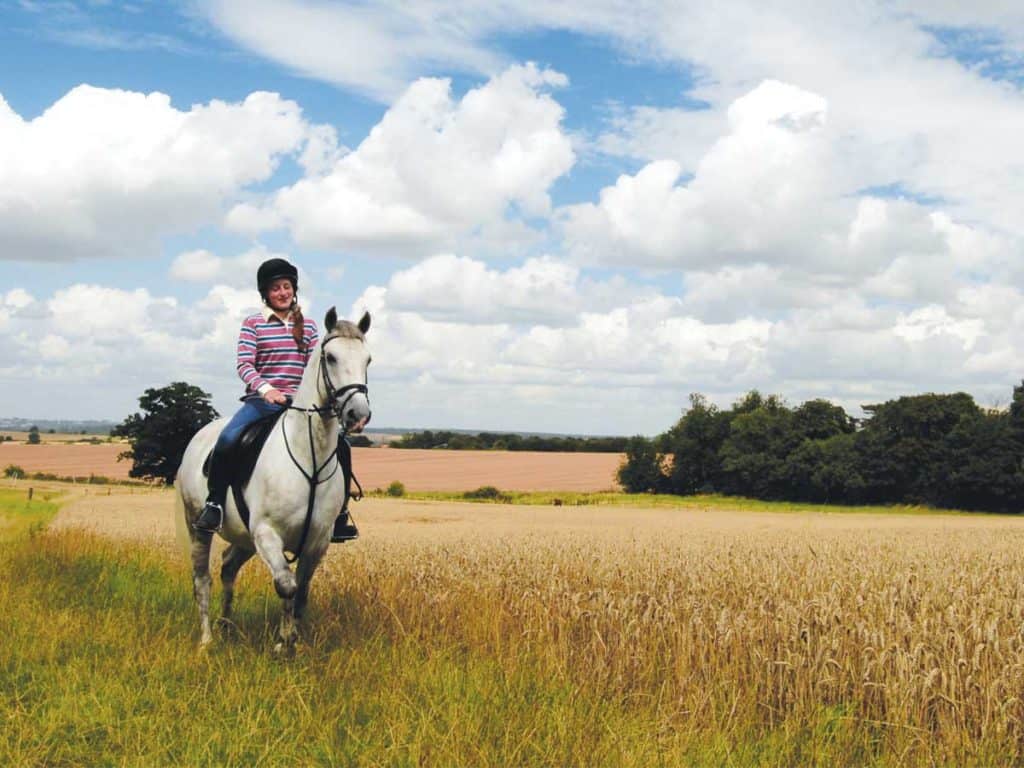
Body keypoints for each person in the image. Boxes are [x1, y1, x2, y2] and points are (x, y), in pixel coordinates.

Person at [193, 257, 360, 543]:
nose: (282, 293)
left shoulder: (307, 327)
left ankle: (340, 514)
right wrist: (266, 389)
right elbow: (245, 364)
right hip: (262, 402)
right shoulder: (253, 324)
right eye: (275, 289)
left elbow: (316, 367)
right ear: (265, 294)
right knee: (228, 440)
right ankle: (215, 504)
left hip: (301, 405)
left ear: (293, 289)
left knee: (341, 448)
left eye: (286, 286)